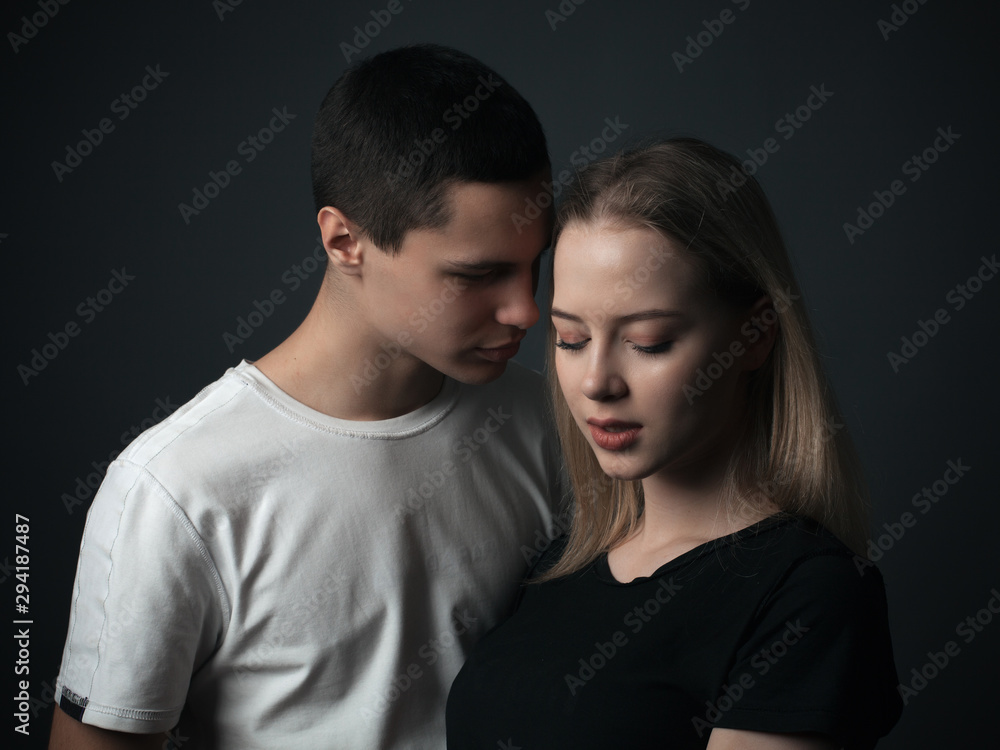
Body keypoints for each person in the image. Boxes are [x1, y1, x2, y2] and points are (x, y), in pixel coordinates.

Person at [50, 44, 566, 750]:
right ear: (344, 240)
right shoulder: (174, 488)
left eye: (534, 266)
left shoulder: (553, 425)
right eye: (477, 275)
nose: (526, 311)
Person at [446, 138, 903, 749]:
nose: (597, 383)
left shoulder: (809, 596)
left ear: (756, 336)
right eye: (571, 339)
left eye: (650, 341)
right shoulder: (554, 569)